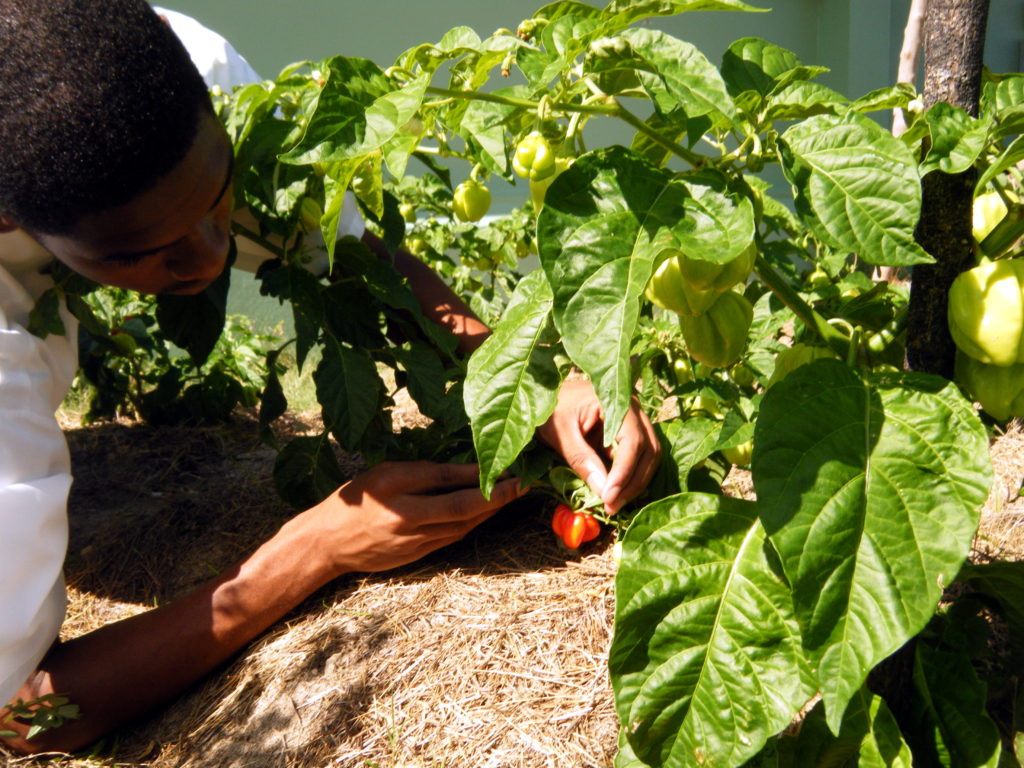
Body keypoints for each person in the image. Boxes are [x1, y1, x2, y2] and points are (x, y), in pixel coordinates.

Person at [0, 0, 660, 754]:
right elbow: (19, 715)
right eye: (143, 254)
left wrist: (531, 377)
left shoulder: (184, 75)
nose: (213, 259)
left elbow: (354, 255)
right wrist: (313, 547)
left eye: (221, 200)